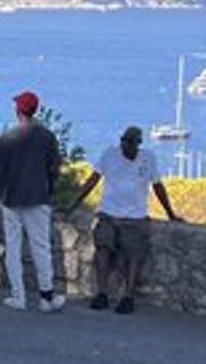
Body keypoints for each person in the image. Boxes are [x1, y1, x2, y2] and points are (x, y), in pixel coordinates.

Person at [69, 126, 180, 314]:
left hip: (135, 217)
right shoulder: (109, 155)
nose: (125, 146)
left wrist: (170, 213)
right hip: (109, 214)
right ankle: (101, 293)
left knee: (134, 254)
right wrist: (73, 205)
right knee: (103, 248)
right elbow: (93, 180)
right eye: (123, 142)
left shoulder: (148, 158)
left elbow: (158, 186)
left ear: (138, 144)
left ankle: (128, 296)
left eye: (129, 143)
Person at [0, 91, 64, 312]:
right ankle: (46, 296)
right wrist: (48, 190)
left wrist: (3, 191)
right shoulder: (47, 137)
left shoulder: (7, 138)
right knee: (41, 246)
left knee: (13, 247)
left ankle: (18, 296)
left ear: (18, 110)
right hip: (38, 197)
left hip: (11, 198)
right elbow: (54, 169)